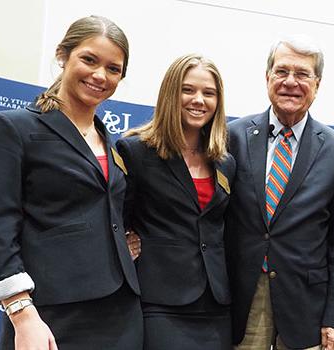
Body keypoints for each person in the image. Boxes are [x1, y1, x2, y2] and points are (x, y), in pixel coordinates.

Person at [0, 15, 141, 350]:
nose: (100, 75)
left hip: (121, 312)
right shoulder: (12, 128)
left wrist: (124, 242)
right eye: (89, 60)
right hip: (50, 313)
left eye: (113, 69)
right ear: (63, 55)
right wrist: (23, 314)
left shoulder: (114, 143)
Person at [225, 36, 334, 350]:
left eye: (302, 74)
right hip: (241, 299)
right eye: (282, 71)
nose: (290, 82)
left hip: (306, 306)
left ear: (318, 83)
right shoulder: (233, 137)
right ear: (267, 77)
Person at [116, 54, 234, 349]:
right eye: (188, 90)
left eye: (209, 93)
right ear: (171, 93)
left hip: (216, 304)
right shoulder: (136, 151)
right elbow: (116, 218)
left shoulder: (225, 162)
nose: (199, 100)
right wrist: (126, 240)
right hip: (160, 302)